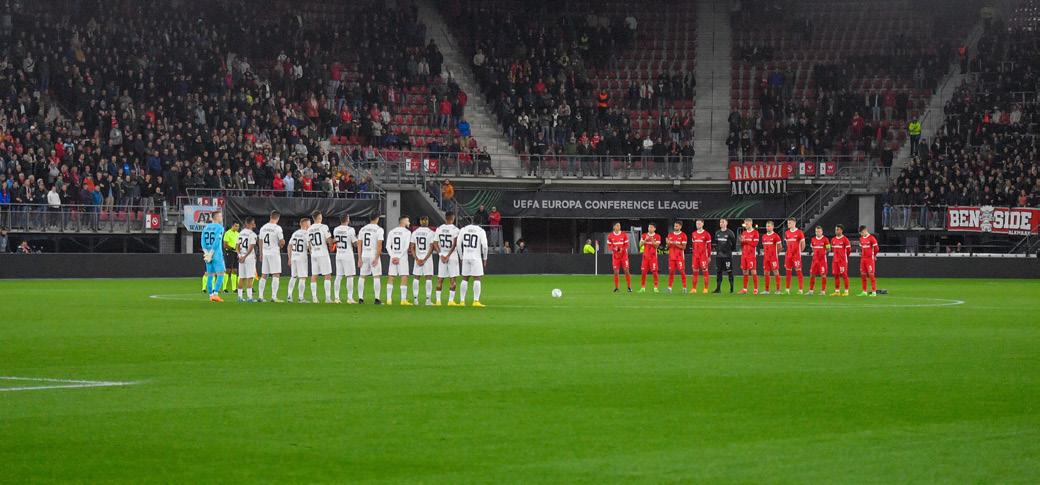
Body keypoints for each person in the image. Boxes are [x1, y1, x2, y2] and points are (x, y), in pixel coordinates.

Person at [451, 222, 489, 306]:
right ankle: (476, 301)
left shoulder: (463, 229)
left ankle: (462, 301)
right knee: (477, 278)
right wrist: (485, 258)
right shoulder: (480, 230)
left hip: (466, 256)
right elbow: (485, 246)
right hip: (476, 257)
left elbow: (458, 244)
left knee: (465, 278)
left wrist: (461, 257)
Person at [356, 213, 385, 304]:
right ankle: (377, 299)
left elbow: (359, 244)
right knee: (376, 276)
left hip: (364, 254)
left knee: (362, 276)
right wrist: (377, 258)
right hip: (373, 254)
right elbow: (379, 245)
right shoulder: (379, 229)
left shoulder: (363, 229)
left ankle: (360, 298)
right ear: (377, 218)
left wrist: (359, 258)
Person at [433, 212, 461, 306]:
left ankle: (438, 301)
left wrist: (441, 254)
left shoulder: (439, 229)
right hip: (452, 256)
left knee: (440, 279)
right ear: (453, 218)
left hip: (442, 255)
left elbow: (435, 243)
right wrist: (448, 255)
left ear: (445, 218)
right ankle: (450, 301)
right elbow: (455, 244)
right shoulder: (455, 229)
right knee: (453, 278)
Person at [257, 211, 285, 302]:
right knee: (276, 274)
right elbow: (282, 242)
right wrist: (281, 244)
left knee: (264, 274)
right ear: (278, 218)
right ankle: (274, 297)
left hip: (265, 253)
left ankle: (260, 296)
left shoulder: (263, 227)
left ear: (270, 216)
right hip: (274, 253)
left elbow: (260, 240)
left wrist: (261, 253)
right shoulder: (277, 228)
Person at [385, 216, 414, 305]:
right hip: (402, 258)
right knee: (404, 276)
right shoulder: (407, 232)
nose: (409, 222)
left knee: (391, 276)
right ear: (403, 221)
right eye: (408, 220)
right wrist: (399, 257)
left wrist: (393, 256)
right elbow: (406, 246)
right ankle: (403, 300)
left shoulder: (392, 231)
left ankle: (389, 300)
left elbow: (387, 246)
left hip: (393, 258)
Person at [307, 211, 334, 303]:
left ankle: (314, 298)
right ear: (319, 217)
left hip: (314, 253)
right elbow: (329, 240)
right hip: (323, 253)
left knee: (314, 275)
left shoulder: (309, 229)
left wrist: (311, 252)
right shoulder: (323, 227)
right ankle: (328, 298)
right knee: (327, 275)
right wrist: (331, 246)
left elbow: (309, 244)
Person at [200, 211, 226, 302]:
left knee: (210, 275)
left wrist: (206, 253)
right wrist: (211, 253)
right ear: (217, 217)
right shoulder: (220, 228)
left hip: (207, 254)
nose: (222, 218)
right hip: (216, 254)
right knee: (221, 273)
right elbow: (217, 241)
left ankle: (211, 295)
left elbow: (202, 241)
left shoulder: (206, 228)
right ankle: (215, 294)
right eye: (220, 216)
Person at [410, 217, 436, 305]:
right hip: (427, 259)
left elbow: (412, 247)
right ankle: (428, 300)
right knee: (428, 278)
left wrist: (417, 259)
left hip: (418, 258)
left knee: (416, 278)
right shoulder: (431, 232)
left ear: (420, 222)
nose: (425, 221)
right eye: (425, 220)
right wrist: (425, 259)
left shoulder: (415, 232)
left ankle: (415, 299)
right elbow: (431, 247)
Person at [333, 215, 358, 304]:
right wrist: (358, 238)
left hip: (339, 254)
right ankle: (349, 298)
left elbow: (335, 241)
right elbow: (355, 244)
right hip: (347, 255)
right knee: (350, 276)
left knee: (338, 276)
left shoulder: (336, 229)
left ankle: (336, 298)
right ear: (347, 219)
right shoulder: (350, 230)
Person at [286, 218, 311, 303]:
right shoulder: (307, 234)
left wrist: (289, 258)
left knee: (293, 276)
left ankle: (289, 296)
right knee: (302, 277)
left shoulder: (295, 233)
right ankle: (301, 298)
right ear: (305, 225)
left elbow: (289, 246)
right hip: (302, 257)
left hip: (294, 257)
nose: (310, 225)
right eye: (309, 224)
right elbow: (309, 246)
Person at [236, 217, 259, 302]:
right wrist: (245, 257)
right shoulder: (252, 234)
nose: (254, 223)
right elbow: (251, 247)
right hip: (249, 257)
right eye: (253, 222)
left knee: (241, 277)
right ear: (250, 223)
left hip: (241, 256)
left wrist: (240, 255)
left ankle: (239, 297)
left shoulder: (241, 233)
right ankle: (249, 297)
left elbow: (237, 246)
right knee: (250, 277)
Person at [606, 223, 632, 292]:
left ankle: (629, 287)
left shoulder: (624, 234)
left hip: (624, 256)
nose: (619, 227)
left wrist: (622, 249)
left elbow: (627, 245)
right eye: (617, 225)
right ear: (614, 227)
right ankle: (616, 288)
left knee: (626, 271)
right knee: (616, 272)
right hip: (615, 257)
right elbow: (609, 246)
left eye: (619, 225)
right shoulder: (610, 235)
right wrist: (614, 248)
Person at [783, 217, 806, 294]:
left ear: (794, 223)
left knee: (798, 271)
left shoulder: (799, 232)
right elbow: (787, 244)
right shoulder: (786, 233)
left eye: (789, 223)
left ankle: (800, 290)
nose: (788, 224)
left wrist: (799, 252)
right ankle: (787, 290)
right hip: (788, 255)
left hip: (796, 256)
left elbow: (803, 244)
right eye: (788, 223)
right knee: (788, 272)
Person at [713, 218, 736, 293]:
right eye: (720, 222)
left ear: (726, 223)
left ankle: (731, 289)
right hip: (719, 256)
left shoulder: (730, 233)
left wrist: (729, 251)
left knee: (729, 271)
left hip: (727, 256)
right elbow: (716, 243)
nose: (721, 223)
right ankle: (718, 289)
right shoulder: (717, 233)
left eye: (723, 222)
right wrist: (718, 251)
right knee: (719, 272)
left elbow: (734, 244)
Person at [690, 219, 712, 294]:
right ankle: (694, 288)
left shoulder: (706, 234)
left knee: (705, 271)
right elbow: (693, 246)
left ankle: (705, 288)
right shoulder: (693, 234)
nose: (698, 225)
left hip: (703, 256)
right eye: (697, 223)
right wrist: (694, 254)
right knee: (695, 271)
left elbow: (709, 247)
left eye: (699, 223)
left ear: (703, 224)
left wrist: (709, 256)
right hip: (695, 256)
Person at [738, 219, 760, 294]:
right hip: (744, 255)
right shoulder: (744, 233)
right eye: (745, 224)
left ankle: (756, 289)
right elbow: (742, 245)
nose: (746, 225)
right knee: (745, 272)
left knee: (753, 271)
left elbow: (755, 244)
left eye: (747, 224)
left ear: (751, 223)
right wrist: (741, 241)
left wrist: (745, 241)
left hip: (751, 255)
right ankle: (745, 289)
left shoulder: (755, 233)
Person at [638, 222, 661, 292]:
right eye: (649, 227)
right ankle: (642, 288)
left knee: (655, 272)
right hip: (645, 257)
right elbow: (640, 245)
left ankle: (655, 288)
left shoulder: (657, 236)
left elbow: (656, 246)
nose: (649, 228)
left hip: (653, 257)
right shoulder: (644, 235)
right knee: (643, 272)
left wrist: (652, 240)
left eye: (651, 227)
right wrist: (645, 240)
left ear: (654, 229)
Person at [666, 221, 688, 293]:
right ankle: (669, 288)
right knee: (671, 272)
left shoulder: (683, 235)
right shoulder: (670, 235)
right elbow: (668, 247)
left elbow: (684, 247)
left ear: (680, 227)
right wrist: (668, 243)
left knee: (682, 272)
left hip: (679, 257)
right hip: (671, 257)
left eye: (676, 226)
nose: (675, 227)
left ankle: (684, 287)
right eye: (674, 226)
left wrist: (675, 244)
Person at [830, 224, 852, 296]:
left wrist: (844, 257)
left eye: (837, 230)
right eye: (835, 230)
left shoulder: (845, 239)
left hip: (842, 261)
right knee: (836, 275)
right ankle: (837, 291)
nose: (836, 231)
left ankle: (846, 291)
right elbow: (832, 249)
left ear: (841, 230)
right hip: (835, 261)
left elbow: (849, 250)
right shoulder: (833, 239)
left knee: (844, 275)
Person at [761, 221, 782, 294]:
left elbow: (780, 247)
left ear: (773, 227)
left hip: (773, 258)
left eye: (769, 226)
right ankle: (767, 290)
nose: (767, 227)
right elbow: (764, 247)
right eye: (767, 226)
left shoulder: (776, 236)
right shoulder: (764, 236)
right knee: (766, 273)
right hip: (766, 258)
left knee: (776, 272)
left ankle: (778, 290)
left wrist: (776, 254)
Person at [807, 226, 829, 295]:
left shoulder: (825, 239)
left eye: (819, 231)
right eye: (816, 231)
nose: (817, 233)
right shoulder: (813, 239)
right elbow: (812, 248)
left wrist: (824, 254)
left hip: (822, 261)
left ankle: (823, 291)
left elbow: (828, 249)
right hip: (814, 261)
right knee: (812, 275)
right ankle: (811, 291)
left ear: (822, 232)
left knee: (823, 275)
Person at [858, 225, 879, 297]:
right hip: (863, 259)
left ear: (865, 230)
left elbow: (877, 248)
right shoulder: (861, 239)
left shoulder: (872, 238)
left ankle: (874, 292)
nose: (861, 234)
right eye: (860, 233)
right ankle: (864, 291)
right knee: (863, 275)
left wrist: (874, 255)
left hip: (870, 259)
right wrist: (861, 253)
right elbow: (862, 248)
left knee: (871, 275)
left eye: (861, 232)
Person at [222, 221, 240, 294]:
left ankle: (234, 288)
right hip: (229, 252)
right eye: (236, 226)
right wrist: (233, 248)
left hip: (235, 253)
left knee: (235, 270)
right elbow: (225, 245)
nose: (237, 228)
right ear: (232, 226)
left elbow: (239, 244)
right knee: (228, 270)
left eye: (238, 226)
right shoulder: (227, 233)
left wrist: (238, 251)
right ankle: (224, 288)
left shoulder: (238, 234)